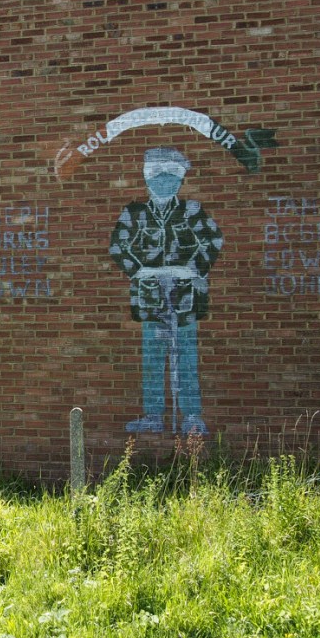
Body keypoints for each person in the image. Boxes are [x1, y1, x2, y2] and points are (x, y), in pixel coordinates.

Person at [109, 147, 223, 434]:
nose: (163, 182)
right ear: (147, 179)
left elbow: (212, 242)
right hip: (149, 297)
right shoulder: (134, 213)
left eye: (170, 176)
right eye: (157, 176)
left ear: (180, 180)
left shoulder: (191, 211)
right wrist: (140, 271)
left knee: (185, 357)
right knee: (153, 358)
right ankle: (153, 416)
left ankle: (192, 416)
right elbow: (118, 246)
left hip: (185, 298)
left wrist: (192, 269)